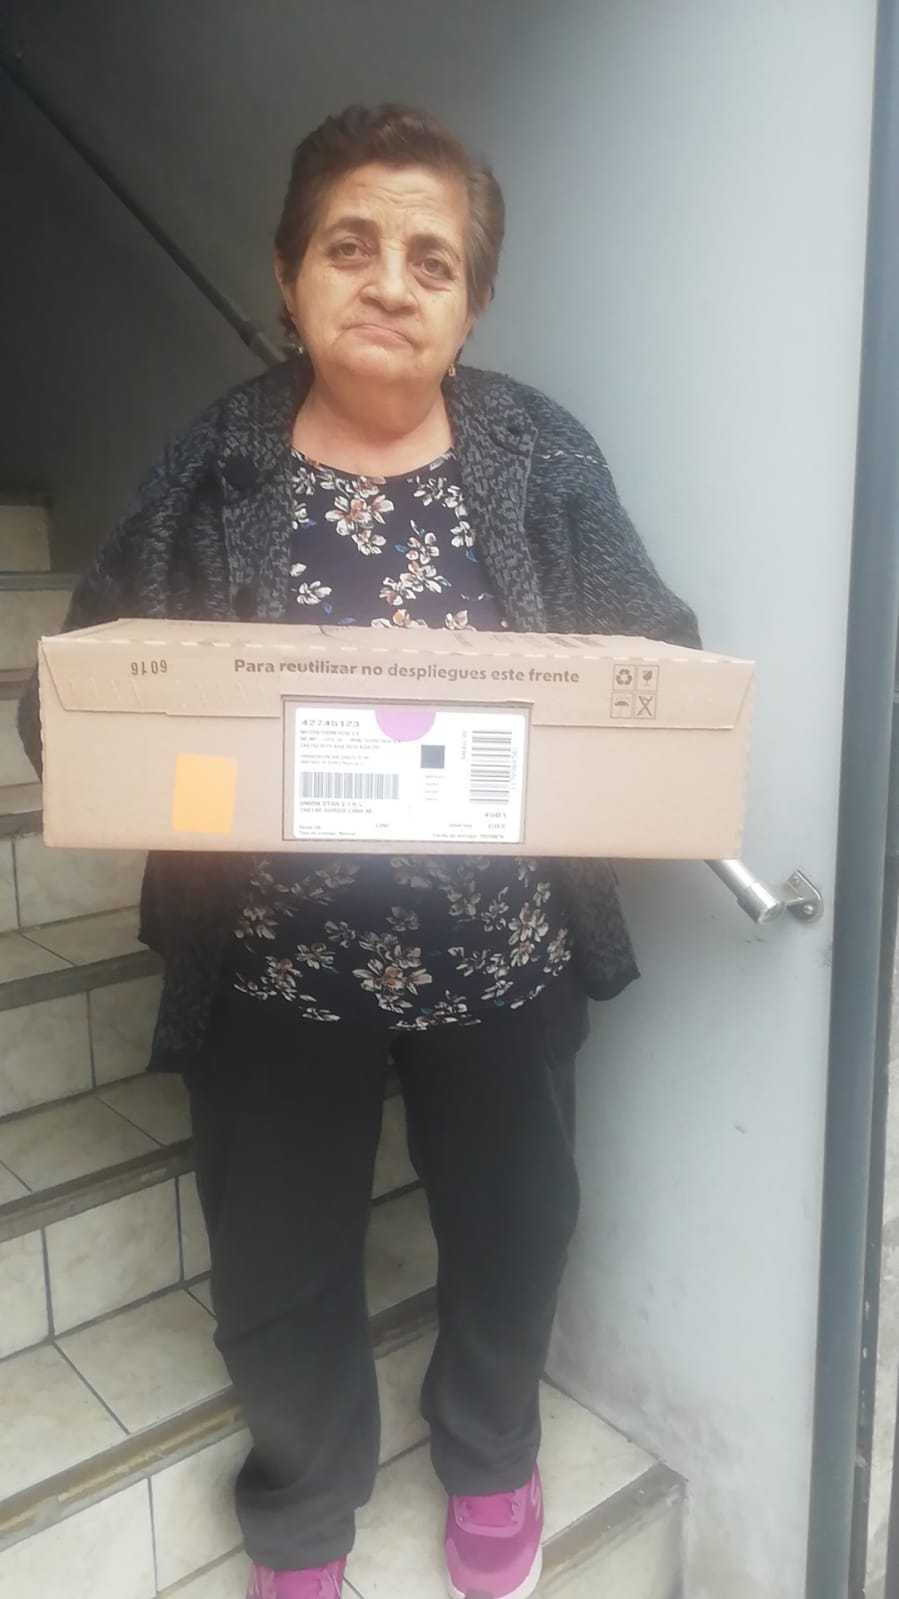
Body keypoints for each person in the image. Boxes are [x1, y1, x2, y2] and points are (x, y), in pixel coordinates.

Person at [19, 104, 699, 1599]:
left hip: (504, 957)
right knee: (276, 1268)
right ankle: (303, 1513)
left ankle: (492, 1455)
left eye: (431, 260)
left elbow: (655, 652)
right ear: (288, 276)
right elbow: (78, 687)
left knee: (516, 1228)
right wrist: (122, 743)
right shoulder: (218, 460)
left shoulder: (538, 455)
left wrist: (623, 736)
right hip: (273, 964)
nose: (391, 283)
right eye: (351, 246)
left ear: (472, 301)